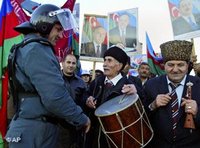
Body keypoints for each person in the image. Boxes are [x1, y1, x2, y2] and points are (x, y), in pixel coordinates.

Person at [5, 4, 90, 148]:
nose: (61, 35)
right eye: (58, 29)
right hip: (35, 132)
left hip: (31, 129)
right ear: (45, 25)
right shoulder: (37, 50)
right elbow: (55, 96)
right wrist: (81, 118)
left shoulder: (28, 47)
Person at [143, 40, 200, 148]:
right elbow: (141, 117)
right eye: (170, 65)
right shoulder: (151, 85)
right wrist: (153, 105)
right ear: (164, 65)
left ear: (187, 65)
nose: (175, 69)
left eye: (180, 65)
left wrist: (197, 111)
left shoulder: (198, 84)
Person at [85, 46, 138, 148]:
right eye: (104, 60)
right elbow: (85, 95)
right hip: (94, 137)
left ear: (119, 66)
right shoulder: (96, 82)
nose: (104, 64)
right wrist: (87, 99)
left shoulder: (129, 86)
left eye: (109, 60)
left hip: (116, 139)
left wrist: (136, 94)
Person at [59, 54, 88, 148]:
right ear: (62, 63)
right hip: (57, 124)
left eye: (73, 63)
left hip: (75, 125)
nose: (71, 65)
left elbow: (84, 103)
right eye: (68, 62)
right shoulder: (55, 79)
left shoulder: (81, 83)